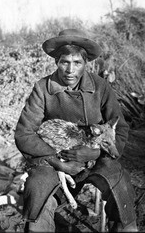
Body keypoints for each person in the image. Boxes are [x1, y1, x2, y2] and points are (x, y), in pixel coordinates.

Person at [15, 28, 138, 232]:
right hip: (55, 159)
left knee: (120, 184)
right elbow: (24, 134)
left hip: (97, 157)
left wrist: (97, 152)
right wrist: (56, 161)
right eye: (65, 62)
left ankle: (126, 227)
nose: (70, 70)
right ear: (56, 62)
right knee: (37, 188)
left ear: (85, 64)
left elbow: (120, 127)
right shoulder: (43, 88)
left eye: (77, 63)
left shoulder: (100, 87)